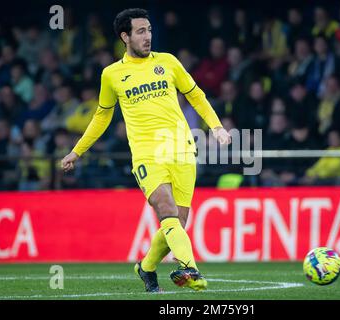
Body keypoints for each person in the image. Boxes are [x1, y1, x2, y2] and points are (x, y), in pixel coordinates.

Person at [60, 8, 231, 293]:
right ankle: (190, 268)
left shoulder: (169, 62)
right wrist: (76, 152)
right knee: (166, 210)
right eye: (140, 31)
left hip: (182, 151)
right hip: (147, 155)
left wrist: (216, 127)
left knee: (176, 223)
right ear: (125, 36)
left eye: (149, 30)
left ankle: (146, 267)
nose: (147, 36)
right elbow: (102, 116)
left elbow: (196, 96)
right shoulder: (112, 74)